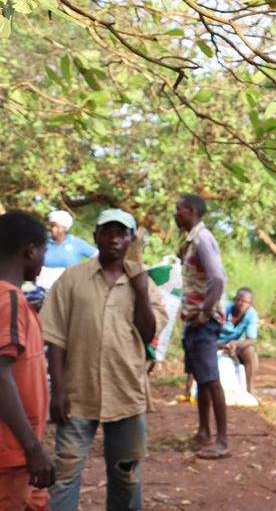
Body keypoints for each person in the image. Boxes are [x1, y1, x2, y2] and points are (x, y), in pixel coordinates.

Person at [42, 209, 166, 511]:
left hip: (126, 393)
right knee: (65, 474)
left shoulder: (143, 283)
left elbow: (149, 333)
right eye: (106, 232)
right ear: (96, 237)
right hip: (76, 394)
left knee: (126, 476)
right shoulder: (72, 279)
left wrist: (139, 287)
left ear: (130, 239)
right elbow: (55, 338)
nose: (113, 239)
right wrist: (57, 391)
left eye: (121, 233)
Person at [0, 212, 53, 511]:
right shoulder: (8, 300)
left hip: (21, 452)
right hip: (12, 454)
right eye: (44, 251)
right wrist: (33, 448)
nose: (43, 260)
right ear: (30, 251)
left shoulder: (15, 299)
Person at [173, 193, 231, 460]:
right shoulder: (191, 240)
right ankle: (203, 431)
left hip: (202, 320)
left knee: (211, 379)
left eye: (179, 209)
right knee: (200, 376)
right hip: (194, 319)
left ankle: (222, 440)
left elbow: (217, 278)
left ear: (192, 211)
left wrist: (205, 312)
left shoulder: (202, 238)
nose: (175, 214)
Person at [37, 210, 97, 289]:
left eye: (57, 227)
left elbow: (97, 255)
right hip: (44, 289)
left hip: (69, 289)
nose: (53, 229)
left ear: (65, 228)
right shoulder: (43, 242)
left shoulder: (76, 243)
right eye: (52, 226)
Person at [219, 288, 260, 393]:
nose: (242, 304)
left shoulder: (252, 314)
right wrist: (223, 345)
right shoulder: (223, 310)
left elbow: (250, 340)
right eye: (240, 300)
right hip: (217, 343)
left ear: (250, 304)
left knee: (250, 352)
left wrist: (235, 344)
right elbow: (210, 333)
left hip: (235, 345)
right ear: (234, 300)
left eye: (246, 302)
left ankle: (250, 390)